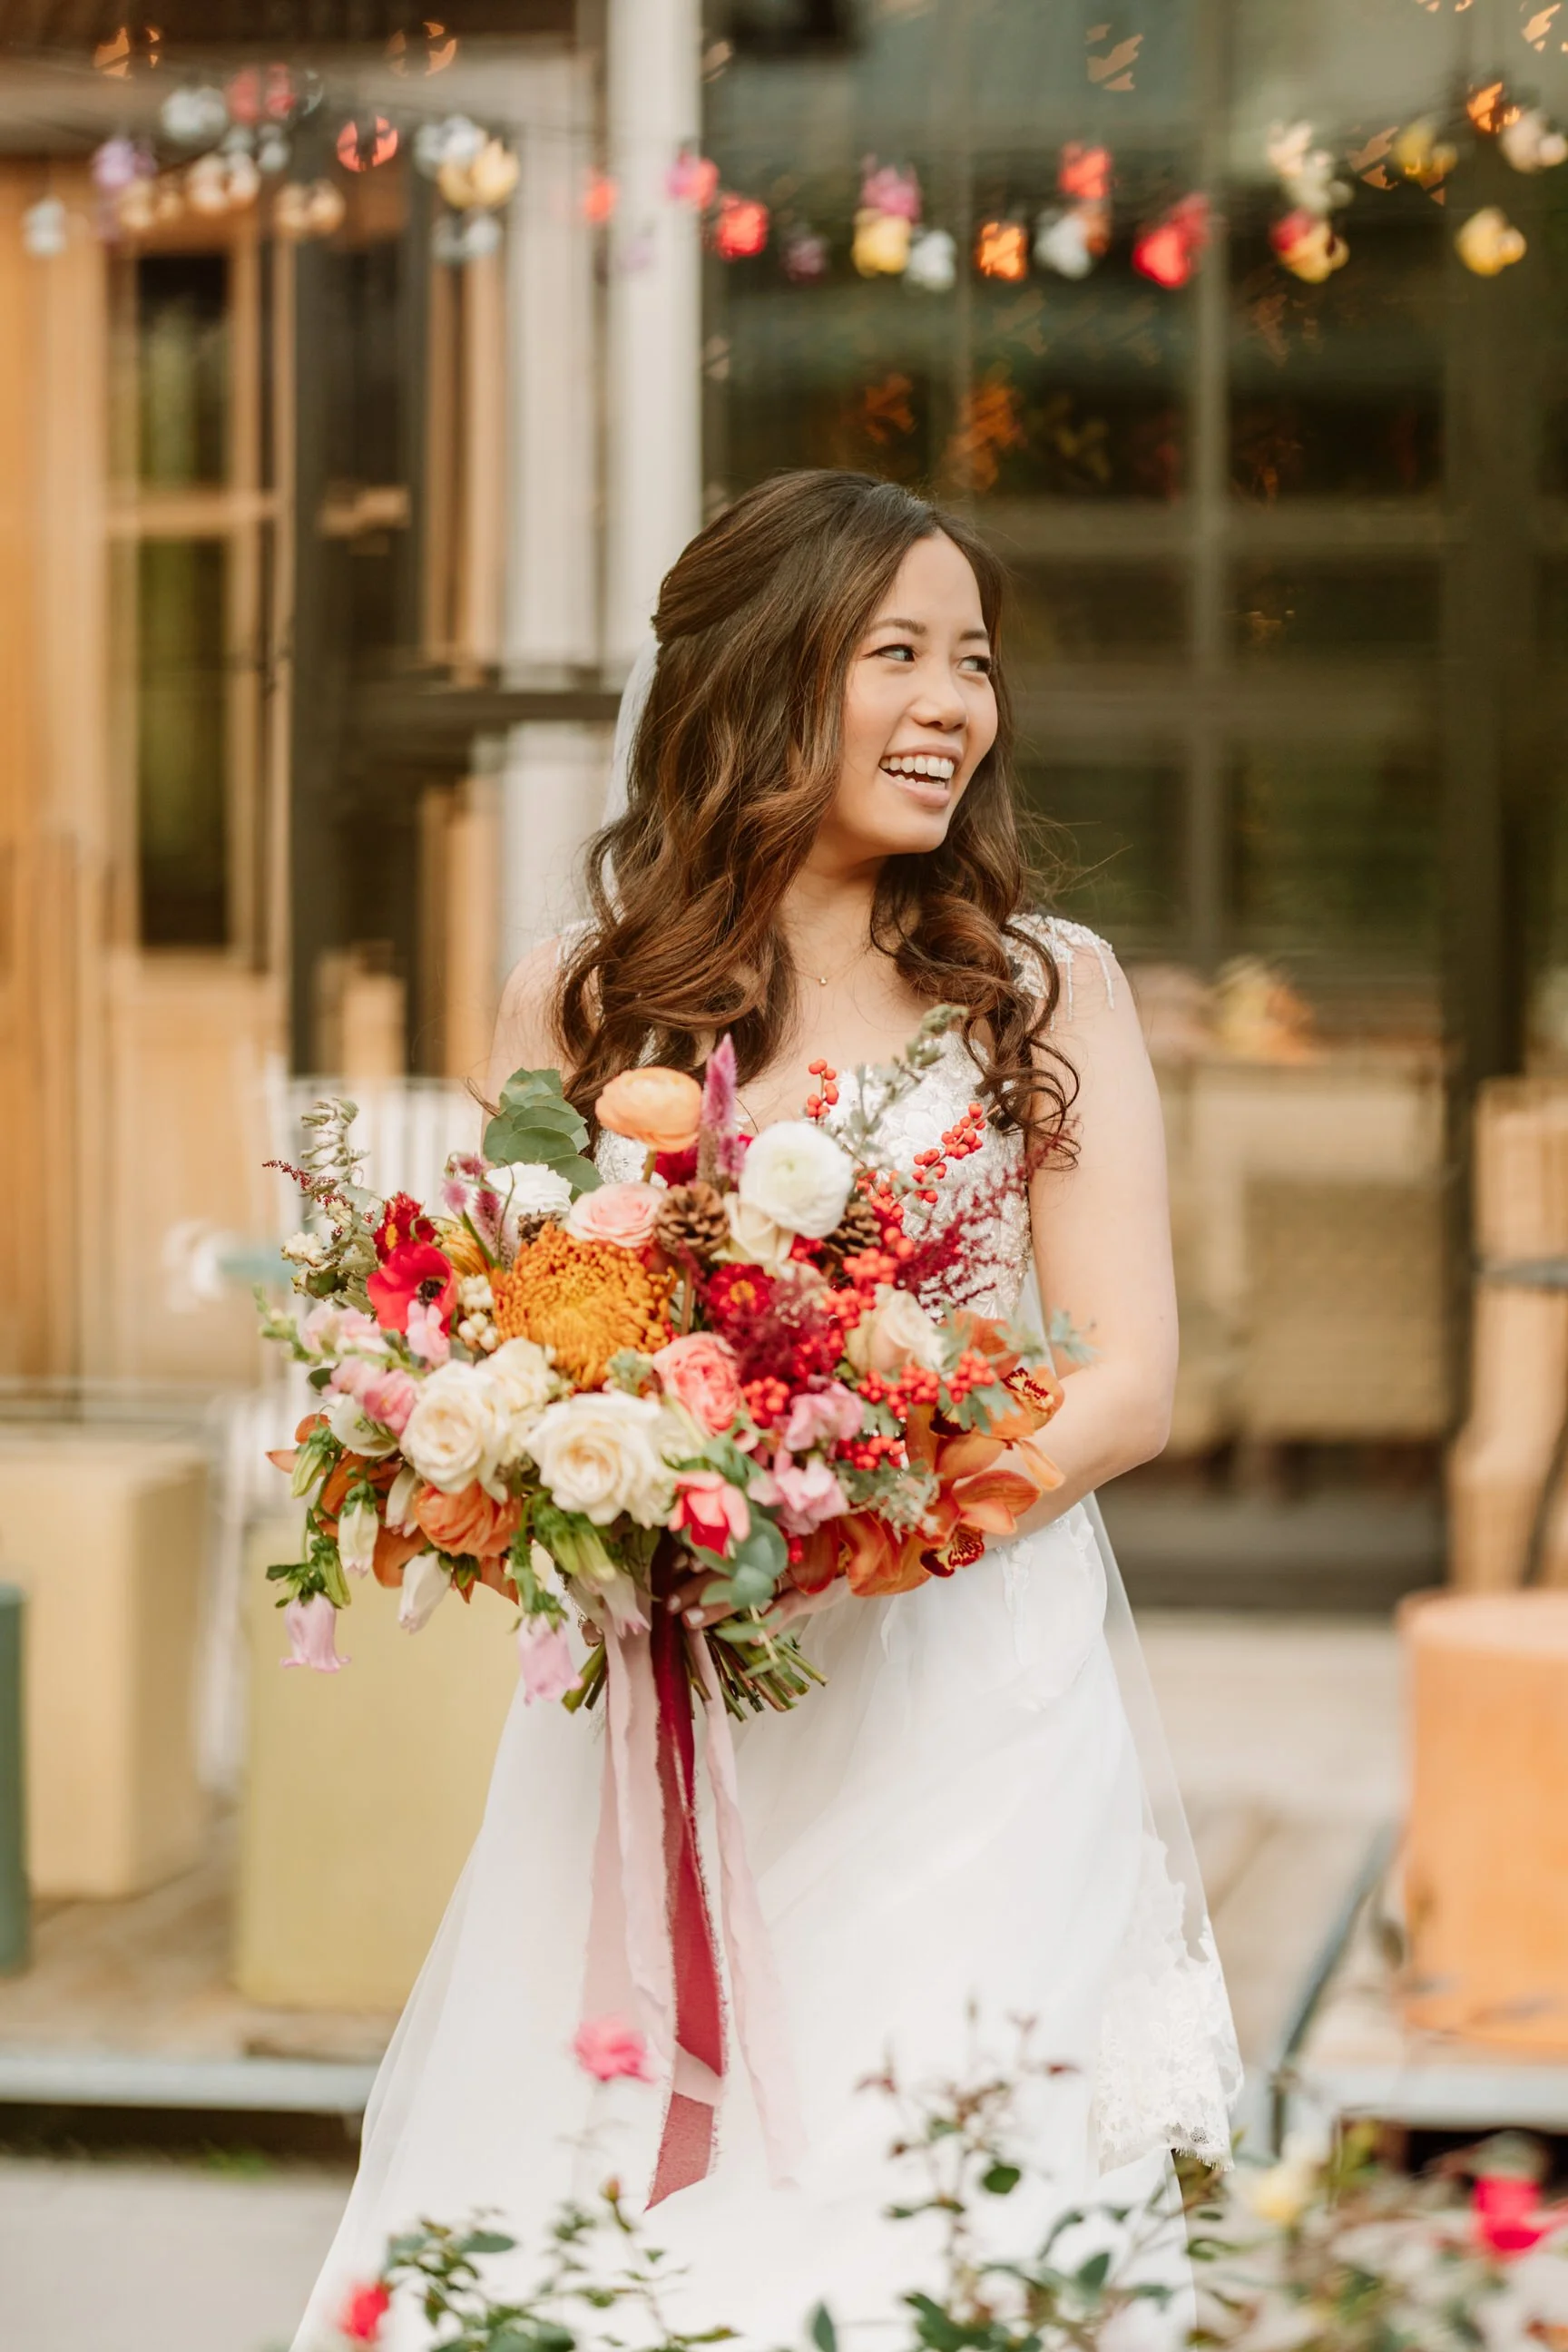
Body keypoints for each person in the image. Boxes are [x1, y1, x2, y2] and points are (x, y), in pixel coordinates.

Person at [294, 470, 1240, 2347]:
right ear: (753, 679)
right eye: (895, 651)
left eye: (971, 660)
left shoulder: (1042, 997)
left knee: (930, 2222)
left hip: (972, 1695)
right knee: (604, 2223)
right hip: (660, 1713)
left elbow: (1127, 1377)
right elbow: (529, 1339)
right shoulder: (582, 1006)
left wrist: (858, 1538)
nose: (951, 704)